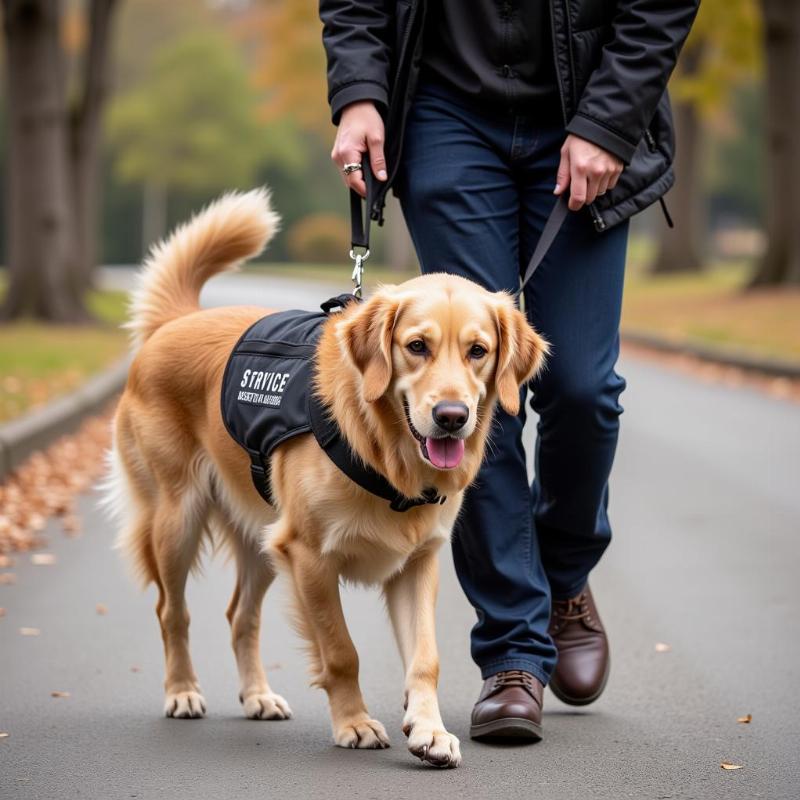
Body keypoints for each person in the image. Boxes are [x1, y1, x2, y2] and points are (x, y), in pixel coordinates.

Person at [320, 0, 699, 742]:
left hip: (586, 104)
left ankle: (563, 581)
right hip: (444, 109)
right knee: (460, 399)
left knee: (583, 387)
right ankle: (513, 653)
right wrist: (359, 92)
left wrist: (611, 121)